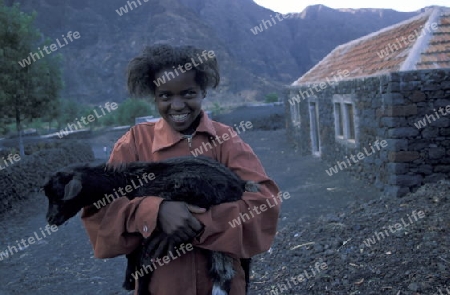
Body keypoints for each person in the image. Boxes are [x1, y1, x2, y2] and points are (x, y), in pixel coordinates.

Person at [81, 44, 280, 295]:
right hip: (160, 286)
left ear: (203, 92)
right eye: (165, 95)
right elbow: (100, 211)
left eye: (188, 93)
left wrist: (195, 222)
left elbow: (264, 203)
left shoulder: (225, 139)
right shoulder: (133, 144)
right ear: (154, 96)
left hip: (221, 286)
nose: (177, 106)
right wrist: (154, 212)